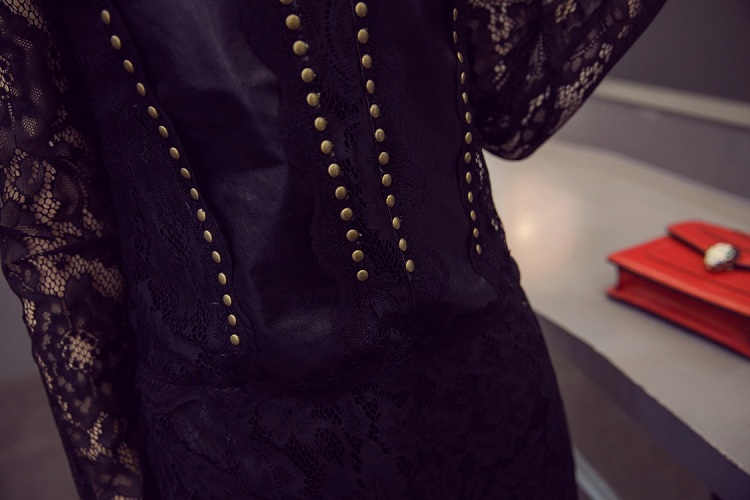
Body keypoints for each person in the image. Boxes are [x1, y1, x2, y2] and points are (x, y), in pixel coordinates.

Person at [0, 0, 665, 498]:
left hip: (486, 385)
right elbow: (57, 232)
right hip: (247, 442)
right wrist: (116, 481)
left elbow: (509, 100)